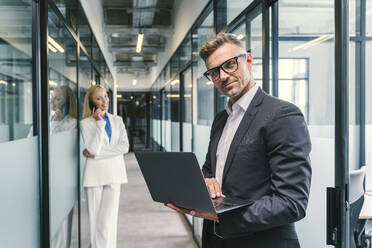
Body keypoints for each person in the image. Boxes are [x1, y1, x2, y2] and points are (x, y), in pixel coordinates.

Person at [166, 33, 312, 248]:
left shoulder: (282, 115)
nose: (223, 76)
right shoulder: (221, 119)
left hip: (261, 242)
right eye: (214, 72)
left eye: (230, 65)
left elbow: (291, 203)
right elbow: (209, 169)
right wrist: (206, 182)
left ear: (249, 61)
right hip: (216, 239)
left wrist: (221, 217)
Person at [80, 85, 129, 248]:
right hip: (94, 176)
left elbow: (124, 147)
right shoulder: (85, 123)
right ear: (91, 102)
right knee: (95, 223)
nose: (104, 101)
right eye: (98, 98)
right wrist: (99, 124)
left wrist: (97, 154)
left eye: (105, 96)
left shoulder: (117, 120)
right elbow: (93, 148)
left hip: (115, 174)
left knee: (109, 221)